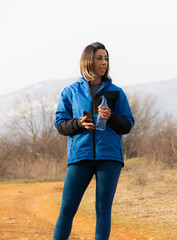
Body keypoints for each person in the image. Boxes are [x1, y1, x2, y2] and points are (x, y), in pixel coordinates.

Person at [53, 42, 134, 240]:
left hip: (110, 157)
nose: (104, 62)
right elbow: (60, 124)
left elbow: (128, 124)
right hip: (80, 155)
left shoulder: (116, 92)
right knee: (67, 208)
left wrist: (110, 117)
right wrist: (79, 123)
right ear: (88, 61)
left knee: (103, 210)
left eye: (106, 58)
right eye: (99, 58)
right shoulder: (70, 91)